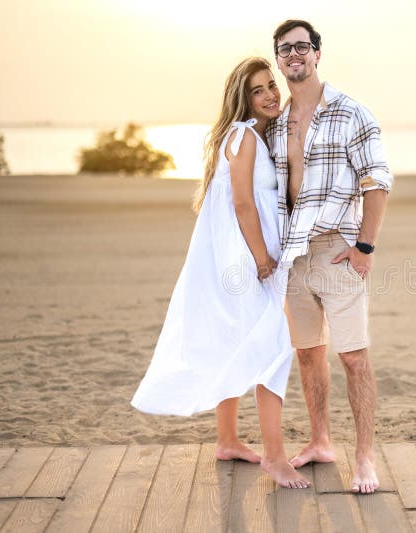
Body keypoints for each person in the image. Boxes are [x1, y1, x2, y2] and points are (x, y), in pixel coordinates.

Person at [131, 57, 310, 489]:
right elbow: (243, 204)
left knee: (234, 340)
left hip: (238, 258)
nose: (270, 94)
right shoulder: (246, 137)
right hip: (247, 261)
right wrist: (262, 257)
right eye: (258, 90)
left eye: (271, 86)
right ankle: (275, 456)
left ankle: (227, 440)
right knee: (273, 348)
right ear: (242, 98)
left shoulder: (246, 136)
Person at [268, 20, 393, 494]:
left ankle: (364, 457)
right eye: (285, 49)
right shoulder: (277, 123)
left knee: (355, 357)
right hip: (293, 256)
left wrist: (364, 247)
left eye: (302, 46)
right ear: (277, 58)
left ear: (318, 54)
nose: (293, 55)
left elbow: (377, 180)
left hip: (338, 250)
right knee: (307, 354)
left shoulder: (351, 113)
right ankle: (321, 441)